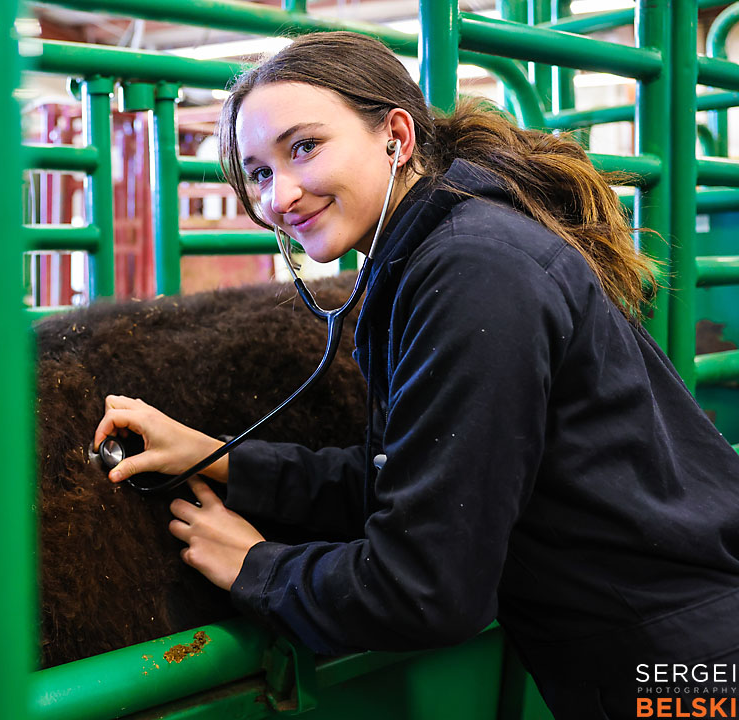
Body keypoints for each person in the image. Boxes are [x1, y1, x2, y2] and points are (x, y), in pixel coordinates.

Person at [92, 31, 739, 719]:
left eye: (304, 147)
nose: (280, 194)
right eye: (256, 173)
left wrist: (258, 568)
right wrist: (223, 460)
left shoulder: (471, 272)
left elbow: (425, 591)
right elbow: (408, 478)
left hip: (688, 672)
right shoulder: (444, 251)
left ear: (395, 135)